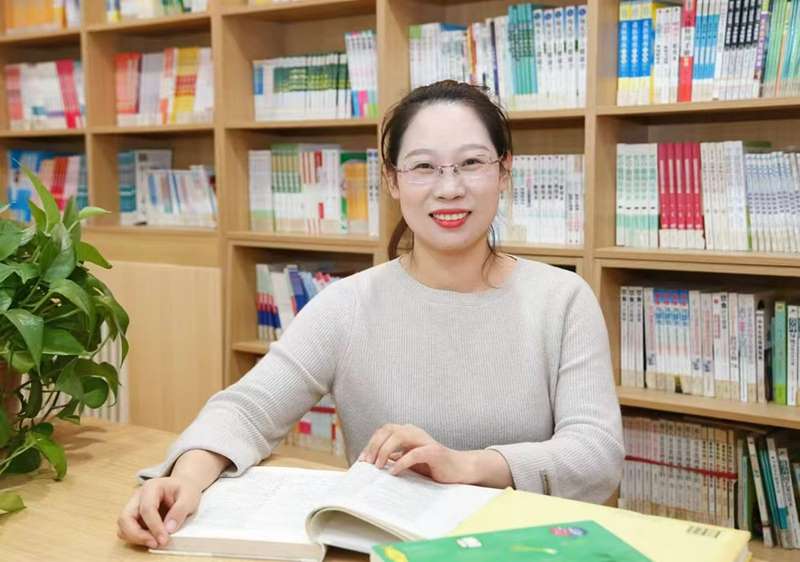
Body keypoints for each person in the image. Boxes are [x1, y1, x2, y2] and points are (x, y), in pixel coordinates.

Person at [117, 80, 624, 550]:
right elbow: (247, 409)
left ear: (504, 171)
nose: (449, 188)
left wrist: (466, 465)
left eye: (471, 162)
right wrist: (185, 478)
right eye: (423, 167)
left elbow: (597, 455)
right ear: (392, 180)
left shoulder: (562, 300)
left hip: (525, 549)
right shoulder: (348, 304)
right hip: (386, 551)